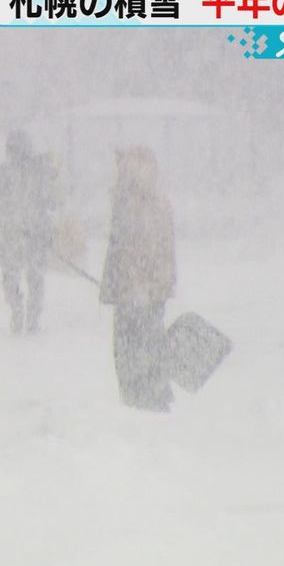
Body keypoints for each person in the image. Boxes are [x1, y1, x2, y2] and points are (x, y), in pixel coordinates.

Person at [99, 146, 176, 412]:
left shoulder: (132, 204)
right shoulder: (156, 201)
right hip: (150, 289)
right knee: (149, 341)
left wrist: (131, 285)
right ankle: (153, 392)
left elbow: (134, 249)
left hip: (136, 291)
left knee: (131, 346)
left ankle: (140, 398)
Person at [0, 130, 60, 334]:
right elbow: (53, 200)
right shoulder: (37, 172)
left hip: (15, 234)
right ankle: (29, 316)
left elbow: (52, 200)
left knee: (15, 276)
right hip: (27, 233)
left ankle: (20, 312)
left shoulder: (5, 173)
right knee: (32, 277)